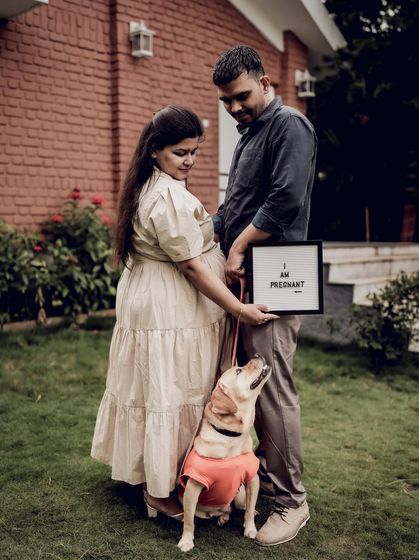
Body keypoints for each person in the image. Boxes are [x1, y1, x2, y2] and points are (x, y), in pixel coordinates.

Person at [90, 105, 277, 519]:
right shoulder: (166, 196)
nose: (189, 160)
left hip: (156, 299)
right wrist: (238, 308)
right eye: (180, 152)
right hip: (169, 307)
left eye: (194, 151)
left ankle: (156, 474)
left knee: (159, 387)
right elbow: (191, 266)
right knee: (170, 390)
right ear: (155, 150)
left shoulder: (154, 185)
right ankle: (159, 492)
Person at [212, 46, 317, 545]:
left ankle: (291, 502)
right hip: (248, 278)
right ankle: (258, 482)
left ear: (266, 82)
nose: (234, 107)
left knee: (271, 391)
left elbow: (285, 199)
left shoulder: (289, 125)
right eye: (226, 101)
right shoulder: (250, 134)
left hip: (277, 274)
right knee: (248, 386)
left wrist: (237, 245)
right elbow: (236, 205)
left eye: (241, 96)